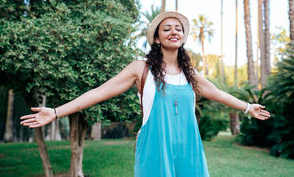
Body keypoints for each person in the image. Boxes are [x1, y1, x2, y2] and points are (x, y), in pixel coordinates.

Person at [20, 11, 271, 177]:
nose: (174, 31)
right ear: (157, 38)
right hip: (154, 147)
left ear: (182, 38)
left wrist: (247, 107)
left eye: (178, 29)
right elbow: (100, 92)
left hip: (189, 149)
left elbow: (217, 93)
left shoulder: (190, 73)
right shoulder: (140, 69)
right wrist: (55, 112)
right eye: (167, 29)